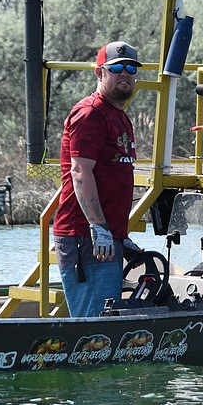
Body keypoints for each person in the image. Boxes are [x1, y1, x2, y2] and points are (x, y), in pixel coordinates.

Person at [52, 41, 140, 317]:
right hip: (85, 237)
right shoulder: (90, 113)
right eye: (116, 68)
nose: (125, 73)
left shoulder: (120, 116)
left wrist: (118, 234)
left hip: (107, 237)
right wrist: (98, 226)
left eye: (130, 68)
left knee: (106, 324)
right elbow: (80, 172)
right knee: (94, 327)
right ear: (100, 73)